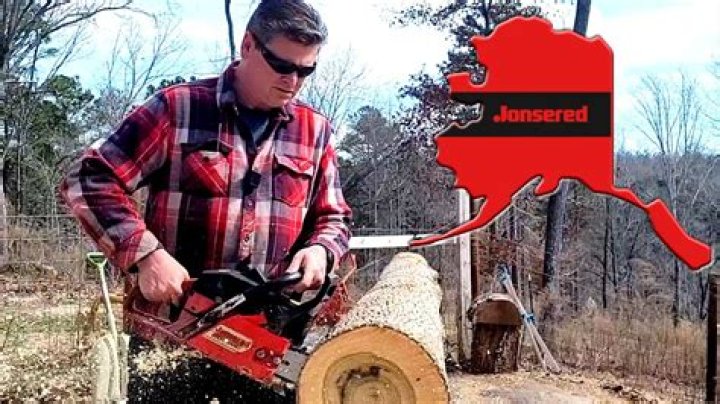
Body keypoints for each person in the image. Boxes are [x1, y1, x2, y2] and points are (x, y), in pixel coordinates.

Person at [59, 0, 351, 401]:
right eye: (282, 66)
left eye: (306, 70)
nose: (293, 81)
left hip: (265, 338)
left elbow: (334, 217)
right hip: (172, 333)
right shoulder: (178, 108)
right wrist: (145, 254)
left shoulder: (313, 131)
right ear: (249, 45)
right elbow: (90, 178)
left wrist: (321, 251)